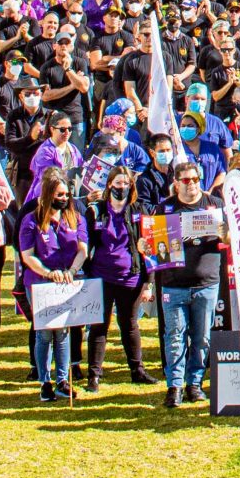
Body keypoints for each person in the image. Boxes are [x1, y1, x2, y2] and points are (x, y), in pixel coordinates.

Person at [154, 159, 226, 407]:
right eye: (186, 180)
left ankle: (194, 383)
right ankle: (174, 385)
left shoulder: (214, 205)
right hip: (173, 284)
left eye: (195, 180)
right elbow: (153, 246)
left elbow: (230, 238)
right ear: (176, 183)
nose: (192, 185)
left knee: (202, 337)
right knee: (174, 336)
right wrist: (146, 246)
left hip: (206, 282)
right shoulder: (164, 209)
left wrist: (224, 231)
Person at [17, 170, 89, 402]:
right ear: (48, 194)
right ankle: (44, 380)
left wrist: (71, 271)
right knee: (45, 333)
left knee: (64, 332)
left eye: (67, 194)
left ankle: (62, 380)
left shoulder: (75, 217)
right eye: (59, 194)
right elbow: (27, 256)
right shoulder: (32, 220)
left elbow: (83, 249)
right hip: (40, 282)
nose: (64, 198)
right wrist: (48, 273)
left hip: (67, 281)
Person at [81, 164, 154, 387]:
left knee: (130, 324)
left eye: (126, 183)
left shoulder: (140, 210)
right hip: (102, 277)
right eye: (118, 183)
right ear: (109, 184)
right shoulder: (96, 210)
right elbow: (86, 244)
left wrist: (149, 283)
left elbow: (150, 249)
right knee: (99, 325)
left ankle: (137, 370)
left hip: (131, 277)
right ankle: (94, 374)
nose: (121, 187)